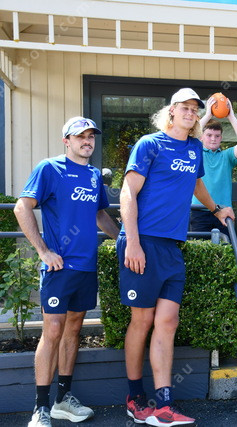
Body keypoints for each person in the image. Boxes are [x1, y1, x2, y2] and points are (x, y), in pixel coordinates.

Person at [118, 88, 234, 426]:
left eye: (195, 109)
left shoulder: (195, 147)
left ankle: (164, 405)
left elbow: (196, 185)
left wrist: (216, 209)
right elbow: (128, 192)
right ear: (171, 111)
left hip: (172, 246)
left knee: (168, 322)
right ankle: (135, 399)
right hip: (143, 242)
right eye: (184, 107)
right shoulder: (149, 144)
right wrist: (133, 242)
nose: (190, 113)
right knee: (141, 321)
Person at [14, 117, 120, 427]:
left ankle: (62, 399)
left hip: (86, 267)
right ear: (67, 141)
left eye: (91, 136)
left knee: (74, 329)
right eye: (80, 136)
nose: (87, 141)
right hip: (59, 268)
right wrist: (44, 251)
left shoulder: (93, 175)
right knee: (53, 331)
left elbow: (100, 215)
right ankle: (40, 408)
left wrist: (125, 241)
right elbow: (22, 207)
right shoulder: (49, 168)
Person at [190, 94, 237, 236]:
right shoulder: (195, 151)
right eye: (209, 135)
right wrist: (208, 114)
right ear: (201, 136)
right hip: (199, 211)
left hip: (223, 211)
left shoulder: (226, 156)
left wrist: (231, 117)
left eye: (217, 136)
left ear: (221, 138)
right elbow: (188, 134)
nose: (213, 139)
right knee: (198, 248)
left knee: (224, 248)